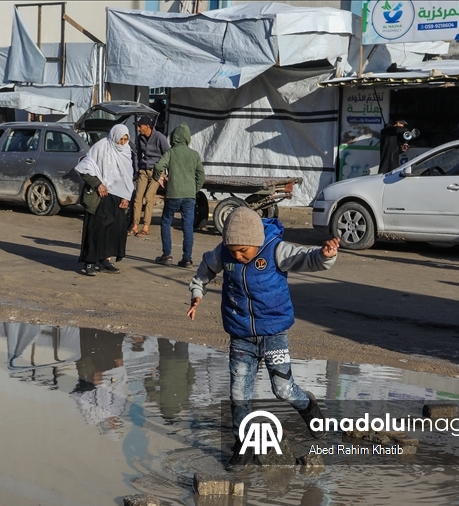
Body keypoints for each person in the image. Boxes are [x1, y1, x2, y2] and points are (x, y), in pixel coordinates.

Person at [187, 208, 340, 463]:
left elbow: (306, 258)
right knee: (239, 394)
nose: (237, 256)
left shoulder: (275, 249)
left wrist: (325, 256)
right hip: (240, 337)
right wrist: (196, 293)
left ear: (257, 243)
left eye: (243, 251)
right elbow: (205, 269)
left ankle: (308, 406)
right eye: (233, 251)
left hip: (274, 334)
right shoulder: (224, 252)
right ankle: (243, 444)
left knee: (283, 389)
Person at [74, 124, 134, 276]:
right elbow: (85, 169)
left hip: (117, 197)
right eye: (120, 139)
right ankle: (90, 262)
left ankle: (105, 261)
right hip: (100, 196)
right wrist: (98, 184)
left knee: (114, 230)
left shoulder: (126, 151)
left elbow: (127, 177)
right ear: (114, 136)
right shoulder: (100, 147)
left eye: (125, 139)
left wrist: (126, 196)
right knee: (95, 229)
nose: (122, 142)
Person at [153, 123, 205, 268]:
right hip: (189, 195)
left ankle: (167, 255)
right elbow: (201, 175)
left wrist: (159, 178)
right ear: (188, 138)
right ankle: (187, 259)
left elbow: (158, 166)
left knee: (166, 222)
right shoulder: (194, 155)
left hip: (173, 194)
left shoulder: (170, 153)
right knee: (188, 226)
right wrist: (194, 189)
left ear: (174, 138)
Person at [130, 117, 169, 236]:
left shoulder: (159, 138)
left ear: (147, 126)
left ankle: (146, 226)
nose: (138, 128)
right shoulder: (140, 138)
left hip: (157, 171)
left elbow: (167, 154)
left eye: (140, 126)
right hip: (143, 170)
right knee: (137, 197)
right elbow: (137, 154)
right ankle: (135, 225)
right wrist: (137, 170)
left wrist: (167, 173)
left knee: (148, 197)